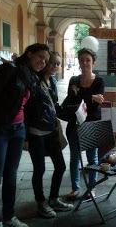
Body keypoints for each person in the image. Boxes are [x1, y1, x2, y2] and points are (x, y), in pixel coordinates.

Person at [0, 43, 50, 227]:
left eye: (45, 60)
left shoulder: (31, 77)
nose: (43, 62)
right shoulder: (9, 70)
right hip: (0, 129)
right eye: (40, 57)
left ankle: (9, 217)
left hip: (18, 129)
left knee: (11, 174)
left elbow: (25, 106)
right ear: (29, 53)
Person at [25, 52, 73, 219]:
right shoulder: (33, 81)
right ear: (45, 63)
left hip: (51, 131)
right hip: (36, 132)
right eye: (52, 63)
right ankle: (41, 203)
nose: (55, 67)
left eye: (58, 64)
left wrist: (75, 111)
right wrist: (25, 137)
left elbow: (55, 106)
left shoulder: (52, 81)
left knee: (60, 166)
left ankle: (53, 199)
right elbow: (25, 109)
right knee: (39, 169)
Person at [64, 48, 105, 199]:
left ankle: (91, 189)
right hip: (75, 124)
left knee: (92, 159)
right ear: (79, 62)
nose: (85, 63)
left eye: (88, 60)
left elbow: (95, 106)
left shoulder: (99, 81)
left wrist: (80, 93)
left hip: (91, 125)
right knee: (74, 158)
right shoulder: (73, 80)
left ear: (93, 62)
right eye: (82, 60)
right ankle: (75, 188)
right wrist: (91, 97)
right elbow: (72, 101)